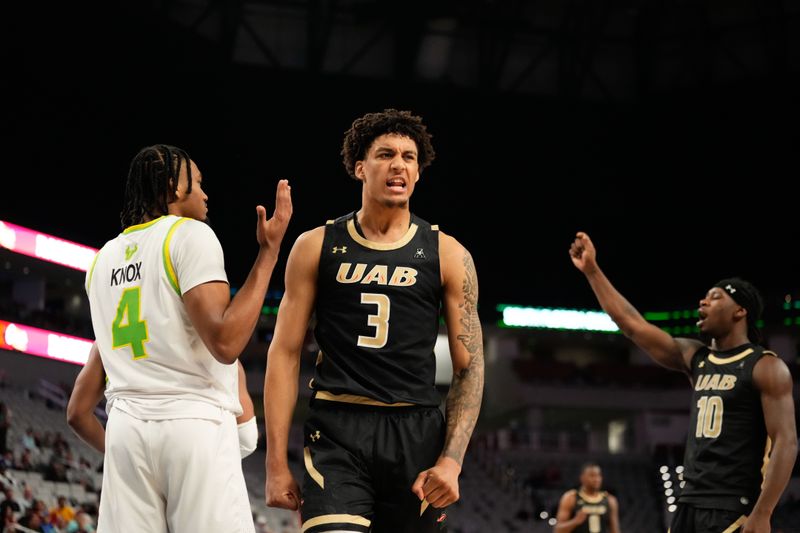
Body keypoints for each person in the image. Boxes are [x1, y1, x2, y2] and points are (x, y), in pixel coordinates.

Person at [264, 109, 485, 532]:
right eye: (385, 154)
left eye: (409, 156)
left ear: (418, 173)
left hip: (416, 432)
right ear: (360, 168)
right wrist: (275, 463)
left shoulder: (448, 254)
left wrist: (452, 461)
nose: (398, 164)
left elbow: (470, 366)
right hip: (337, 429)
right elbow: (285, 352)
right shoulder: (315, 246)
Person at [83, 144, 292, 532]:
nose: (205, 194)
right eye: (197, 183)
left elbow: (78, 412)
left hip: (127, 431)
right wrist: (268, 254)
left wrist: (124, 452)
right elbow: (226, 343)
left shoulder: (102, 260)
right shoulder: (190, 234)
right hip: (193, 424)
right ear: (171, 190)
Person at [569, 232, 797, 533]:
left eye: (716, 297)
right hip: (688, 502)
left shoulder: (766, 365)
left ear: (740, 312)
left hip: (732, 504)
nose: (703, 301)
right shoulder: (696, 358)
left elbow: (786, 441)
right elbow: (632, 325)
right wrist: (593, 271)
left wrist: (763, 512)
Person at [67, 344, 260, 459]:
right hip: (197, 457)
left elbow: (76, 414)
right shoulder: (208, 341)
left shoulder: (106, 334)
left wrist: (116, 453)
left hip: (128, 452)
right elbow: (247, 438)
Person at [554, 463, 620, 533]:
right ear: (582, 478)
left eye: (599, 475)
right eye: (592, 476)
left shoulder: (610, 500)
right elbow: (558, 530)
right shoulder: (570, 498)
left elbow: (615, 530)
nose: (596, 479)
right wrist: (575, 521)